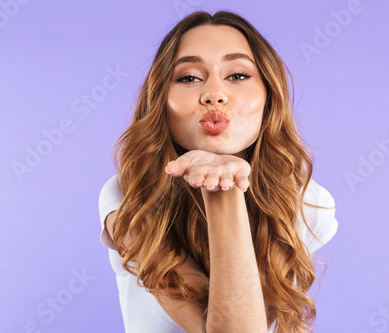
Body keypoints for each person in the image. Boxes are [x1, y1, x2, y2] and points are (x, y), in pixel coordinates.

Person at [98, 10, 338, 333]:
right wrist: (222, 185)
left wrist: (228, 180)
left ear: (269, 97)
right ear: (161, 101)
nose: (214, 94)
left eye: (237, 75)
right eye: (189, 77)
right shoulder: (127, 197)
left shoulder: (306, 202)